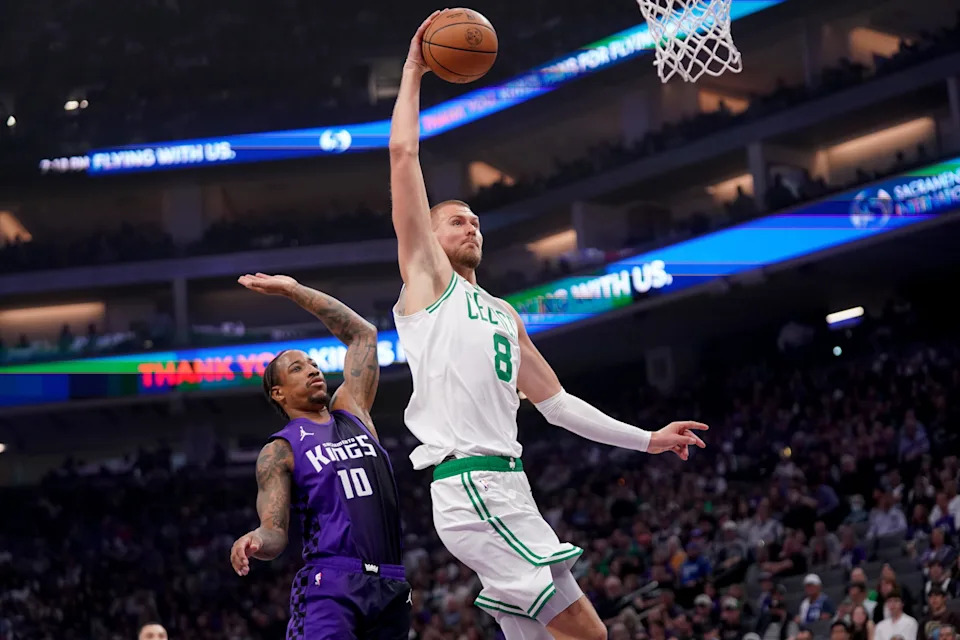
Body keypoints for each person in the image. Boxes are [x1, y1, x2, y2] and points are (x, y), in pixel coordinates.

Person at [387, 11, 708, 640]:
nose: (472, 226)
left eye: (477, 220)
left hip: (510, 487)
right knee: (592, 635)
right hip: (472, 485)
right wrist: (413, 70)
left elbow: (558, 405)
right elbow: (402, 153)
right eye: (457, 220)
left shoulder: (505, 314)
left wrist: (648, 439)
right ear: (428, 234)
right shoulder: (429, 283)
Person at [229, 274, 410, 639]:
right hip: (332, 584)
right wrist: (256, 541)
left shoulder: (352, 411)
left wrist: (294, 291)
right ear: (278, 393)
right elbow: (275, 530)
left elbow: (363, 335)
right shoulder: (280, 449)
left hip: (391, 583)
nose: (312, 369)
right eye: (297, 368)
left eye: (312, 363)